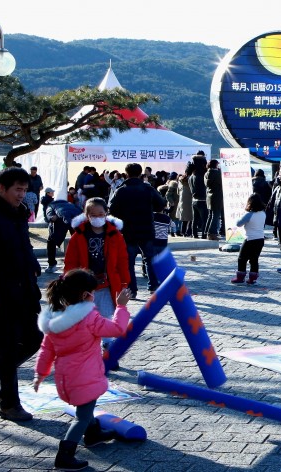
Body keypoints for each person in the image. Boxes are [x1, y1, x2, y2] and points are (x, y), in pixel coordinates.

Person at [34, 270, 131, 470]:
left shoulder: (54, 322)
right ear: (85, 295)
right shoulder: (89, 319)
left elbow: (46, 350)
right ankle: (65, 455)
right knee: (82, 416)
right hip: (85, 377)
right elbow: (116, 329)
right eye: (92, 292)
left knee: (85, 408)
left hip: (66, 379)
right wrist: (121, 306)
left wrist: (40, 374)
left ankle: (93, 434)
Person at [0, 168, 44, 422]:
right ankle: (9, 405)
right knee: (8, 349)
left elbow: (24, 247)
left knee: (34, 339)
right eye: (17, 190)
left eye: (25, 190)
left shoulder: (19, 214)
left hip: (23, 295)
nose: (22, 195)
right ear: (1, 188)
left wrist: (34, 267)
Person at [64, 197, 129, 325]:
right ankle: (88, 341)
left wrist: (125, 282)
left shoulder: (115, 235)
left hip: (107, 282)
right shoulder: (78, 235)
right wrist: (69, 279)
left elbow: (123, 260)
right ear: (86, 215)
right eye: (93, 215)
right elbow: (70, 260)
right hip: (85, 284)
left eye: (100, 214)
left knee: (106, 313)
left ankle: (107, 340)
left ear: (106, 213)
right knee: (86, 315)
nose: (97, 218)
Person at [109, 163, 167, 297]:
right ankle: (153, 286)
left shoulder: (121, 190)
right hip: (146, 228)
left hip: (128, 230)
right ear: (141, 173)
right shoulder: (148, 188)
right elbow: (161, 204)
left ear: (126, 173)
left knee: (129, 261)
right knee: (150, 258)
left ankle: (132, 290)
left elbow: (111, 209)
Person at [231, 194, 267, 285]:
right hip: (260, 239)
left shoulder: (249, 214)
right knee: (254, 259)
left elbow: (238, 223)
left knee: (242, 258)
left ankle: (240, 277)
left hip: (250, 239)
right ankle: (253, 278)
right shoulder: (263, 213)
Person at [188, 153, 208, 238]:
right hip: (202, 200)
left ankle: (194, 234)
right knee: (204, 219)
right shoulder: (201, 175)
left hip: (194, 200)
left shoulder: (192, 175)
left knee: (195, 219)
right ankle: (204, 234)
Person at [204, 160, 224, 240]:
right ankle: (212, 233)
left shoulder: (206, 174)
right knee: (215, 216)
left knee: (210, 215)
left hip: (209, 196)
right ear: (215, 165)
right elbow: (222, 183)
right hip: (217, 197)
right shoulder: (217, 174)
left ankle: (206, 232)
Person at [175, 174, 193, 239]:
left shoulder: (180, 181)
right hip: (190, 201)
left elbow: (177, 192)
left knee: (184, 220)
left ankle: (183, 232)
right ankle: (189, 232)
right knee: (191, 219)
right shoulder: (190, 180)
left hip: (182, 201)